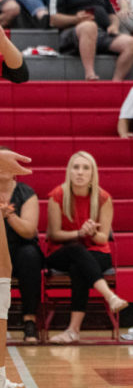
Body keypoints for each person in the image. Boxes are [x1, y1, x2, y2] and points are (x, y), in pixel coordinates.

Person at [46, 151, 129, 344]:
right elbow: (53, 234)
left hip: (96, 252)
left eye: (85, 168)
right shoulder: (57, 196)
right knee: (76, 250)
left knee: (79, 267)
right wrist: (79, 234)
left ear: (93, 173)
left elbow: (102, 239)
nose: (80, 172)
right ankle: (110, 296)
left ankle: (73, 330)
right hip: (61, 252)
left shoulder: (103, 198)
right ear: (69, 171)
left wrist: (91, 233)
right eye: (76, 167)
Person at [0, 146, 40, 344]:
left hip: (20, 249)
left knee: (30, 256)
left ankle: (29, 321)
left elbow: (28, 230)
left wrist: (8, 215)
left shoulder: (26, 192)